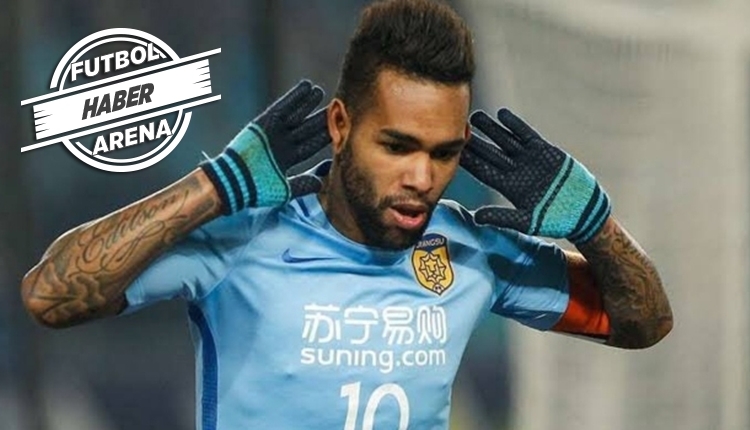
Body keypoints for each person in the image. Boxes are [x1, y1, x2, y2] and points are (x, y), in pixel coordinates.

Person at [20, 0, 673, 429]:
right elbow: (50, 296)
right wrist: (213, 187)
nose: (421, 178)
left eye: (444, 153)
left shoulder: (472, 250)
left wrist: (594, 224)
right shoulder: (244, 240)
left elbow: (644, 323)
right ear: (341, 125)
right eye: (397, 146)